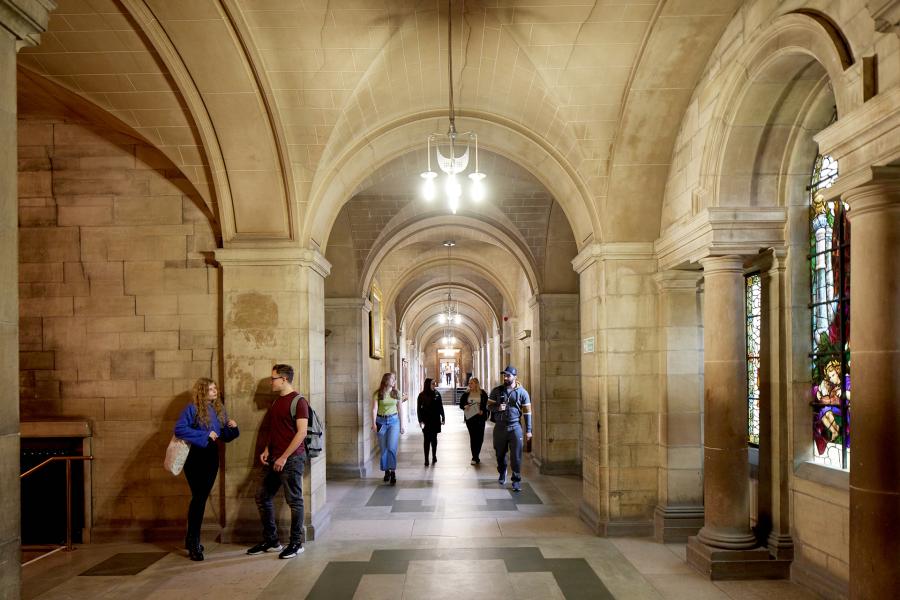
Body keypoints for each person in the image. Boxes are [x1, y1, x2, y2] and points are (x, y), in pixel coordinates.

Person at [247, 364, 309, 560]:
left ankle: (296, 543)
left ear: (284, 379)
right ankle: (272, 541)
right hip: (274, 457)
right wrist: (267, 449)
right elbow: (275, 430)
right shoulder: (276, 403)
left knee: (294, 501)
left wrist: (284, 457)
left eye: (273, 379)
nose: (271, 382)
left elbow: (302, 433)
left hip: (291, 459)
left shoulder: (299, 402)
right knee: (262, 496)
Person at [174, 378, 239, 561]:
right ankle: (194, 542)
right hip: (194, 458)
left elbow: (224, 435)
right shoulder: (192, 409)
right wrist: (204, 434)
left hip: (211, 458)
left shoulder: (219, 409)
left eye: (215, 388)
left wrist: (233, 427)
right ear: (202, 391)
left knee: (199, 498)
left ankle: (190, 539)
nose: (214, 391)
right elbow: (179, 429)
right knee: (199, 498)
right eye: (210, 389)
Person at [487, 365, 532, 492]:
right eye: (504, 375)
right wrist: (497, 408)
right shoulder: (497, 390)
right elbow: (488, 406)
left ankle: (516, 480)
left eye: (508, 375)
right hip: (500, 427)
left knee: (516, 456)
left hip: (515, 427)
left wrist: (529, 430)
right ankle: (502, 471)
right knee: (500, 454)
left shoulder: (522, 392)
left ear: (515, 377)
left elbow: (527, 412)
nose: (505, 377)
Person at [371, 372, 405, 485]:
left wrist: (402, 425)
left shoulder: (396, 393)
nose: (394, 381)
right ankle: (386, 471)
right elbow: (374, 409)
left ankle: (393, 471)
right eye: (392, 379)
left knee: (392, 447)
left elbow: (400, 409)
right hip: (381, 422)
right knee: (383, 448)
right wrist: (374, 424)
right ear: (386, 380)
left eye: (394, 379)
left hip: (394, 422)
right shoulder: (378, 393)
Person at [459, 377, 488, 465]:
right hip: (470, 418)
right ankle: (475, 457)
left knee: (480, 438)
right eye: (469, 383)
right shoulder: (466, 393)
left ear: (476, 384)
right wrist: (465, 406)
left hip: (480, 418)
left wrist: (482, 411)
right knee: (473, 437)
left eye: (471, 383)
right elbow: (461, 404)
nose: (469, 385)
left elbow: (486, 405)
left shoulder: (483, 393)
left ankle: (476, 454)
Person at [417, 378, 445, 466]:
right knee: (426, 440)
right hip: (426, 421)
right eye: (432, 384)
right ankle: (426, 459)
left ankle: (434, 456)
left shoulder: (437, 394)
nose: (434, 385)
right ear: (428, 384)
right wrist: (420, 421)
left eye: (434, 383)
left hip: (435, 420)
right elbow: (419, 410)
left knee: (434, 439)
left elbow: (440, 406)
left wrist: (443, 416)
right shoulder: (421, 395)